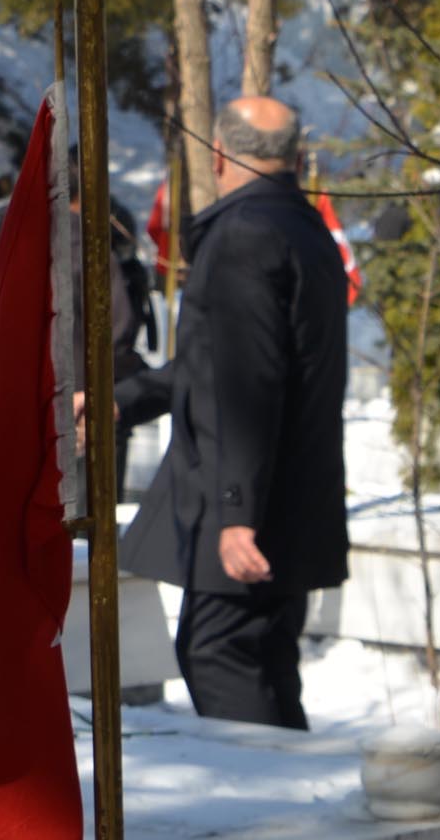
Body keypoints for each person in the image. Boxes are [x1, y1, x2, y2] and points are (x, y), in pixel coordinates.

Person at [118, 96, 349, 729]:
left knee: (220, 656)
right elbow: (217, 365)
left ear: (220, 157)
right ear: (295, 160)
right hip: (287, 498)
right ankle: (302, 810)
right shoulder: (303, 228)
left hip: (250, 510)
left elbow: (251, 382)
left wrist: (236, 513)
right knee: (262, 664)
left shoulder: (244, 235)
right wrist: (124, 401)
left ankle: (280, 818)